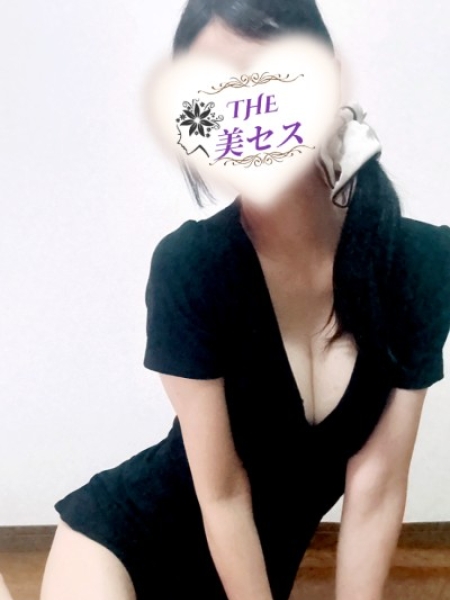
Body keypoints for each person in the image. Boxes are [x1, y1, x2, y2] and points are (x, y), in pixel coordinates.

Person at [40, 2, 450, 600]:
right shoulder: (191, 267)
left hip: (249, 572)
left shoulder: (421, 265)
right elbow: (224, 495)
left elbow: (377, 487)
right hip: (123, 547)